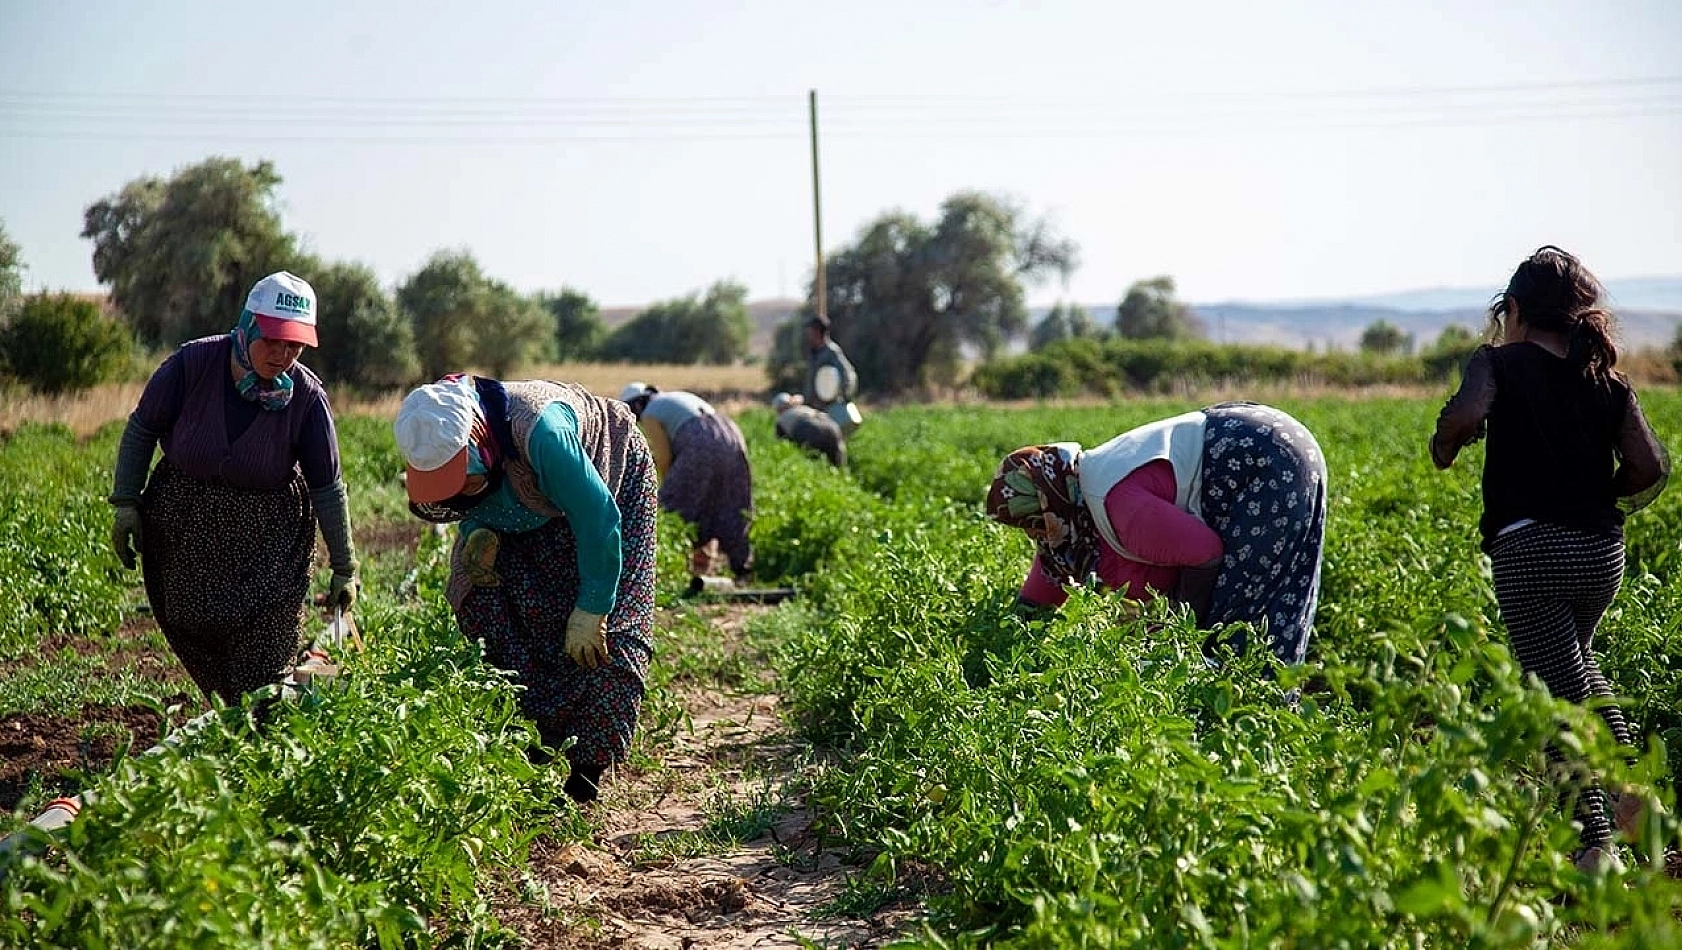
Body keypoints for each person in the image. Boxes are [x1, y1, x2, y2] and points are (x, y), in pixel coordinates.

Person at [1431, 246, 1669, 874]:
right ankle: (1637, 807)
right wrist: (1591, 493)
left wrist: (1446, 440)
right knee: (1577, 677)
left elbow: (1467, 413)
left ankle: (1597, 846)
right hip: (1602, 554)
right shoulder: (1606, 381)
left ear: (1514, 310)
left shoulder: (1499, 362)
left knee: (1550, 697)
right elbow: (1649, 468)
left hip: (1532, 552)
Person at [395, 374, 657, 804]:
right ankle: (535, 747)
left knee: (611, 635)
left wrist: (593, 607)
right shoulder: (444, 442)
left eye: (463, 483)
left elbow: (598, 519)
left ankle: (584, 779)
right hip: (528, 508)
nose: (459, 494)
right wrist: (479, 527)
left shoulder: (541, 431)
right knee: (483, 601)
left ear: (481, 444)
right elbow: (466, 498)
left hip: (609, 490)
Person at [108, 271, 358, 707]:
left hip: (269, 541)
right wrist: (127, 502)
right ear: (248, 326)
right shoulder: (192, 366)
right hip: (186, 528)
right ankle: (239, 723)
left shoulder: (306, 398)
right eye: (274, 340)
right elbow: (142, 428)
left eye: (294, 345)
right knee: (194, 629)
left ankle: (273, 721)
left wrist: (345, 566)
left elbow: (327, 486)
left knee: (264, 663)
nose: (283, 354)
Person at [985, 402, 1327, 667]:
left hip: (1263, 460)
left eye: (1037, 522)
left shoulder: (1115, 503)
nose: (1037, 535)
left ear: (1051, 502)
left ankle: (1262, 719)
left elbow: (1205, 553)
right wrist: (1002, 638)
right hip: (1258, 439)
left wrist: (1183, 633)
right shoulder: (1081, 492)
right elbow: (1042, 587)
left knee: (1240, 624)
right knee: (1237, 625)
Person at [618, 382, 754, 582]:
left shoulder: (650, 413)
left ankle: (666, 569)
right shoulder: (674, 398)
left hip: (701, 443)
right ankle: (742, 568)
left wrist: (665, 486)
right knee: (728, 502)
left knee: (674, 506)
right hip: (730, 436)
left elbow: (664, 458)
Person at [804, 315, 860, 435]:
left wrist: (845, 395)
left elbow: (848, 374)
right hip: (814, 406)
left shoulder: (832, 352)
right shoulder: (813, 353)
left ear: (817, 332)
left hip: (829, 408)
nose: (808, 335)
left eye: (811, 331)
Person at [771, 391, 846, 468]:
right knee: (837, 463)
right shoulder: (804, 408)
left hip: (811, 431)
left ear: (779, 409)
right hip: (832, 426)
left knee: (815, 464)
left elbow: (781, 445)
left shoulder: (781, 420)